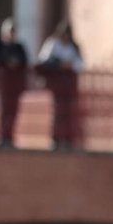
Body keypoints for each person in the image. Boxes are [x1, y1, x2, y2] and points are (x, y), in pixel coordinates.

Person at [35, 19, 83, 150]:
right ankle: (56, 139)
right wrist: (59, 64)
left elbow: (80, 65)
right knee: (57, 111)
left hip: (69, 85)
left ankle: (69, 139)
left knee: (69, 112)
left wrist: (70, 65)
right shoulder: (52, 44)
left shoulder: (74, 47)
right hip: (56, 84)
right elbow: (42, 61)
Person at [0, 19, 29, 148]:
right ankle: (2, 136)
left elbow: (25, 63)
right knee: (2, 110)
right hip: (1, 84)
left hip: (15, 84)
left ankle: (10, 136)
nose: (12, 34)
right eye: (10, 31)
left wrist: (16, 64)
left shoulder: (19, 47)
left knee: (13, 110)